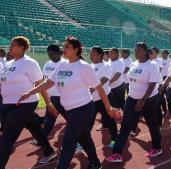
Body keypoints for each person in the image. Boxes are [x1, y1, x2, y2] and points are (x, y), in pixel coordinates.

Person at [18, 36, 120, 169]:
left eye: (67, 47)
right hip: (69, 109)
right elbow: (48, 83)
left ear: (76, 49)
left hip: (83, 109)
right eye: (63, 46)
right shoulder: (62, 65)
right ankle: (95, 163)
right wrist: (30, 92)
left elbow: (99, 88)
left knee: (68, 141)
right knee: (84, 138)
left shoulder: (83, 67)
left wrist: (108, 108)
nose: (63, 49)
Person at [0, 36, 57, 169]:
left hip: (25, 103)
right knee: (33, 126)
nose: (10, 47)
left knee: (7, 137)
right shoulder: (8, 64)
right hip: (6, 103)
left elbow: (40, 84)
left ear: (22, 47)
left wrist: (48, 103)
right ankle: (49, 151)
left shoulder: (30, 63)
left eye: (13, 45)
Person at [107, 42, 162, 162]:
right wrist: (131, 97)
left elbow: (153, 84)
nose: (136, 52)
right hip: (132, 98)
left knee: (152, 124)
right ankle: (117, 153)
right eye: (135, 50)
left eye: (138, 50)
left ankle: (157, 147)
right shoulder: (133, 64)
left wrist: (143, 100)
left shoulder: (152, 65)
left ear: (145, 51)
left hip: (149, 99)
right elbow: (131, 82)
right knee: (125, 125)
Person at [29, 44, 67, 147]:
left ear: (60, 53)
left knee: (71, 121)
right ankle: (42, 141)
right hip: (50, 98)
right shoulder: (47, 63)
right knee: (49, 120)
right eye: (49, 54)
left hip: (62, 98)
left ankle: (76, 141)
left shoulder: (65, 64)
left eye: (52, 54)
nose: (50, 56)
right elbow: (43, 79)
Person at [90, 46, 118, 148]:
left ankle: (115, 140)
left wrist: (92, 89)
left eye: (93, 53)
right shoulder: (90, 66)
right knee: (88, 121)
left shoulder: (106, 66)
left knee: (109, 119)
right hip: (92, 99)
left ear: (100, 55)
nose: (90, 56)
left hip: (105, 97)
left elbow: (104, 80)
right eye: (90, 53)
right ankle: (82, 143)